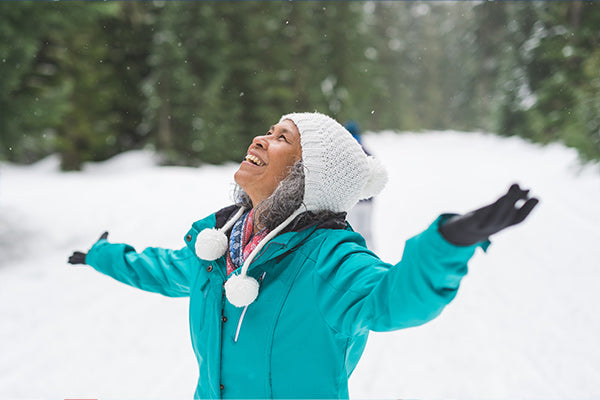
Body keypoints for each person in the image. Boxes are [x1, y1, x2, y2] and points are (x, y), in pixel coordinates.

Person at [68, 112, 538, 399]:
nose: (260, 139)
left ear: (306, 177)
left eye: (281, 139)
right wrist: (102, 255)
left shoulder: (329, 260)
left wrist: (447, 244)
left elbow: (393, 299)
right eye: (268, 130)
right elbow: (162, 268)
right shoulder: (219, 240)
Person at [344, 120, 376, 249]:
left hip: (353, 202)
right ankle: (372, 255)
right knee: (367, 232)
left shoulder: (345, 152)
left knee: (354, 232)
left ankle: (356, 254)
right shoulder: (367, 152)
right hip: (368, 201)